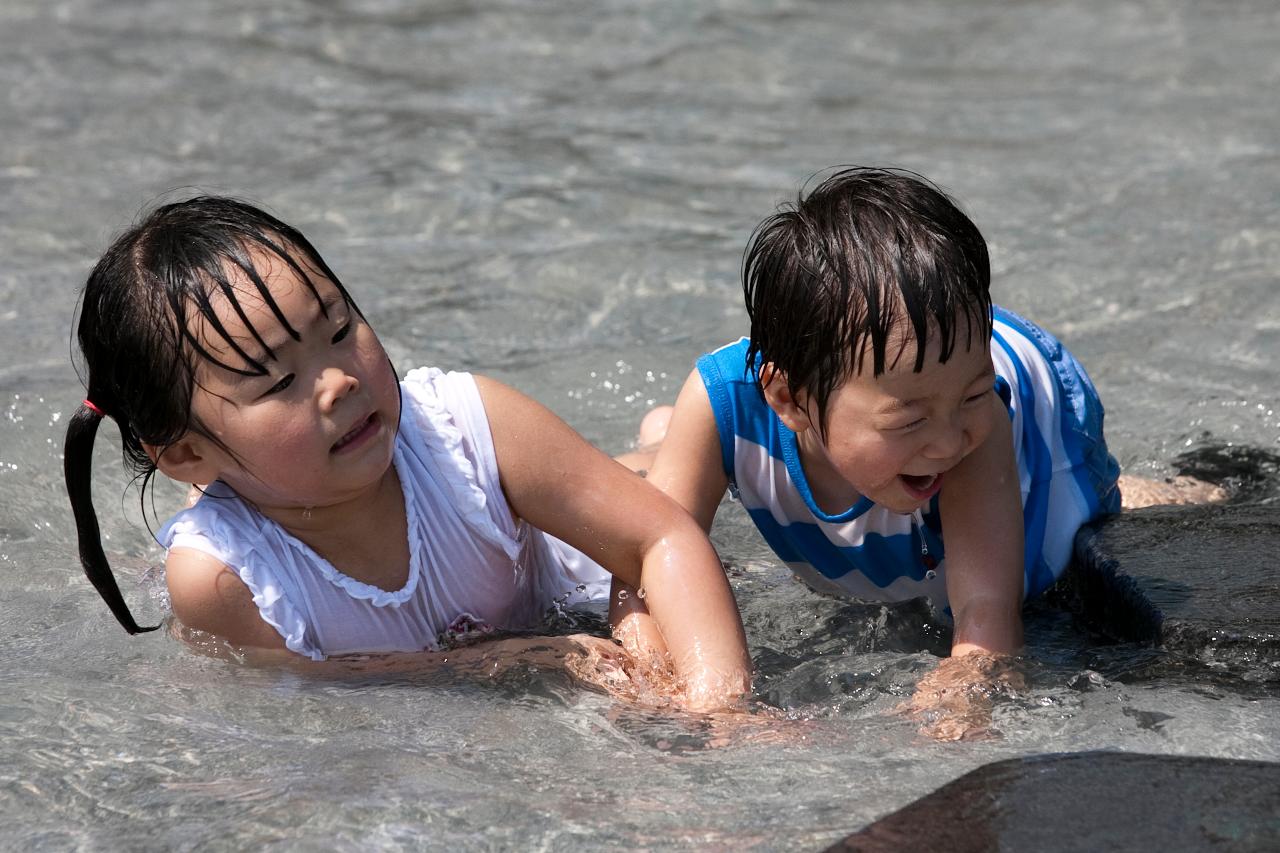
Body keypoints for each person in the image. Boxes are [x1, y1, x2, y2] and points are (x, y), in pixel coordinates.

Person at [63, 196, 751, 711]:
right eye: (278, 381)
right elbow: (325, 682)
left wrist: (721, 713)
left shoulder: (464, 426)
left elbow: (660, 533)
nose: (339, 381)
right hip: (276, 525)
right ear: (183, 452)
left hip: (558, 560)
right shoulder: (223, 583)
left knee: (659, 479)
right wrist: (507, 659)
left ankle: (665, 436)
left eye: (338, 328)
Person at [613, 167, 1221, 735]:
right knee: (668, 486)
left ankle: (1173, 486)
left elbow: (988, 613)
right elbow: (641, 561)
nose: (948, 438)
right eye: (907, 420)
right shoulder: (724, 403)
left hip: (1034, 412)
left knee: (1065, 541)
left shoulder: (975, 430)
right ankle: (666, 446)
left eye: (969, 398)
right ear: (789, 400)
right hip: (922, 358)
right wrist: (657, 668)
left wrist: (964, 690)